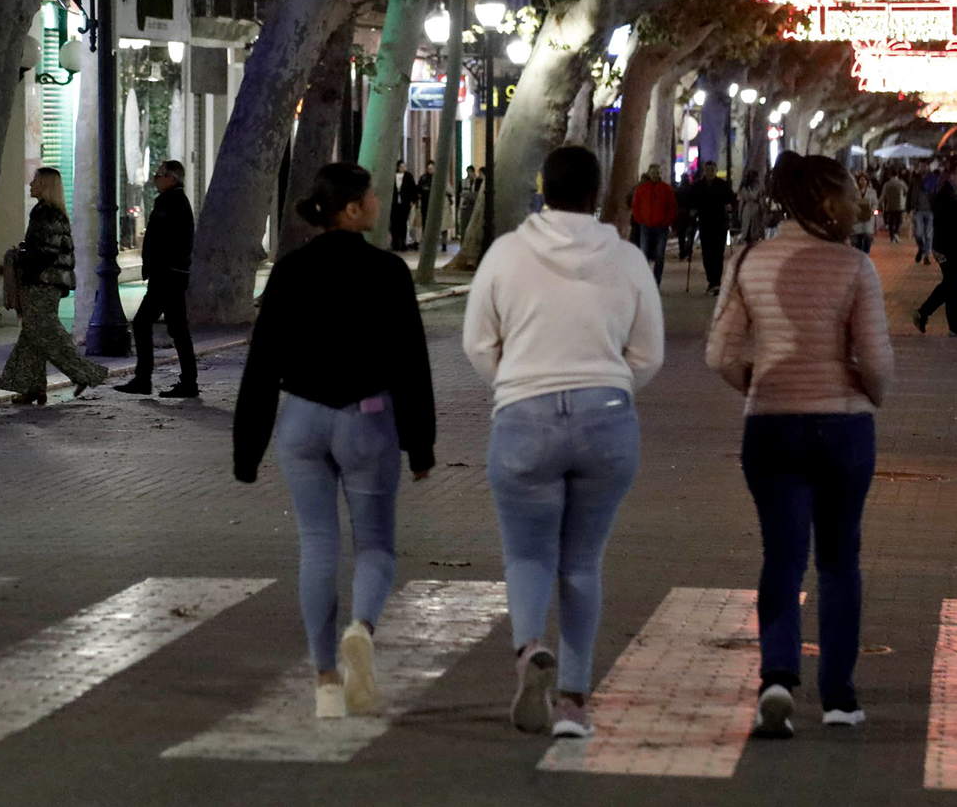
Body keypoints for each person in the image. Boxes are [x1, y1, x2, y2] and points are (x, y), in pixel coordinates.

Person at [465, 145, 663, 739]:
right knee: (582, 562)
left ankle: (529, 650)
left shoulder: (505, 254)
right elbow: (648, 353)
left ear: (541, 188)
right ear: (598, 194)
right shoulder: (627, 260)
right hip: (606, 420)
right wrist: (612, 386)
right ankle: (574, 699)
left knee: (527, 556)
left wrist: (515, 383)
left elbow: (478, 343)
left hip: (524, 418)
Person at [235, 162, 436, 720]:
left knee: (318, 545)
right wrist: (420, 446)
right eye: (371, 195)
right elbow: (410, 365)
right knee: (374, 546)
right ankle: (362, 629)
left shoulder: (290, 271)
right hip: (366, 418)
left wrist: (247, 449)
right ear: (352, 208)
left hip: (300, 419)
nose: (377, 201)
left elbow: (261, 361)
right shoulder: (388, 272)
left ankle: (326, 682)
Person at [705, 151, 894, 739]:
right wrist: (865, 391)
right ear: (824, 203)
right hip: (843, 429)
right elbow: (878, 363)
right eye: (848, 197)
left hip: (771, 426)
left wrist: (759, 385)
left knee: (781, 558)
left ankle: (778, 679)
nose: (858, 207)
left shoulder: (748, 262)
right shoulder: (854, 268)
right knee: (839, 562)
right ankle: (838, 697)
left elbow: (719, 354)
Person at [0, 168, 108, 405]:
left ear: (45, 186)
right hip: (45, 281)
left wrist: (21, 255)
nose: (30, 184)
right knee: (32, 336)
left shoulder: (47, 215)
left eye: (36, 181)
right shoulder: (46, 213)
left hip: (43, 282)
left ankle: (85, 373)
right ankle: (34, 388)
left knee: (46, 334)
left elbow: (46, 252)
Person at [119, 159, 199, 397]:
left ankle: (145, 379)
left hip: (166, 275)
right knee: (177, 328)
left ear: (171, 179)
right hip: (172, 273)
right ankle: (185, 382)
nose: (155, 178)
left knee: (144, 323)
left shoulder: (170, 203)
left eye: (159, 175)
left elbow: (162, 238)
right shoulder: (177, 202)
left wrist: (157, 265)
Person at [913, 161, 957, 338]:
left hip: (956, 248)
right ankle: (925, 313)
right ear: (952, 176)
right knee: (952, 285)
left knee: (953, 286)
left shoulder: (956, 194)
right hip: (950, 249)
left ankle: (950, 323)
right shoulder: (946, 196)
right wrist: (942, 248)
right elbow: (944, 224)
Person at [691, 161, 738, 295]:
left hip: (719, 223)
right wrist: (693, 210)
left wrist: (729, 205)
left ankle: (716, 282)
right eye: (708, 170)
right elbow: (692, 200)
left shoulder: (722, 185)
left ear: (715, 171)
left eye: (712, 169)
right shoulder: (698, 186)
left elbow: (731, 199)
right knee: (707, 253)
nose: (710, 172)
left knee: (718, 253)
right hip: (705, 223)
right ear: (704, 171)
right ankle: (711, 280)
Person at [629, 163, 678, 284]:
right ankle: (645, 281)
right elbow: (636, 206)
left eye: (657, 172)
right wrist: (640, 219)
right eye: (653, 172)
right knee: (644, 254)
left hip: (661, 226)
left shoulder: (666, 189)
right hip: (645, 225)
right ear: (649, 174)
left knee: (660, 255)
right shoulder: (641, 189)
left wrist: (667, 221)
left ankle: (656, 281)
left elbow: (672, 207)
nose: (655, 175)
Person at [910, 165, 937, 263]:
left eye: (924, 166)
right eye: (921, 166)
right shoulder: (915, 179)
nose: (923, 168)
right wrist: (910, 207)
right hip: (918, 210)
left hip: (930, 210)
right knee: (918, 234)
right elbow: (911, 193)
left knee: (929, 235)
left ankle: (926, 256)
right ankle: (922, 248)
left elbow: (936, 193)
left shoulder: (933, 179)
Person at [391, 161, 420, 251]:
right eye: (401, 167)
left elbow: (413, 189)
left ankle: (403, 243)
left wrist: (413, 200)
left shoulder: (408, 176)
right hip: (395, 203)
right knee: (394, 224)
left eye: (404, 166)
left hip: (405, 203)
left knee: (403, 223)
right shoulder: (393, 176)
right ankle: (395, 243)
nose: (402, 168)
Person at [849, 172, 877, 254]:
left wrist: (873, 210)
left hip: (868, 219)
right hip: (857, 220)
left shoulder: (872, 192)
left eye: (864, 180)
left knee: (867, 237)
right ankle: (859, 254)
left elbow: (875, 203)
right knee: (856, 240)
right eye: (861, 180)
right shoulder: (853, 192)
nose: (863, 182)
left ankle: (866, 254)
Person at [879, 170, 908, 244]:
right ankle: (896, 233)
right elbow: (906, 192)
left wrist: (880, 204)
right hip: (899, 205)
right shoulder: (901, 183)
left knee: (891, 222)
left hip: (889, 206)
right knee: (898, 221)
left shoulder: (887, 184)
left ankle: (892, 236)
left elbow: (883, 196)